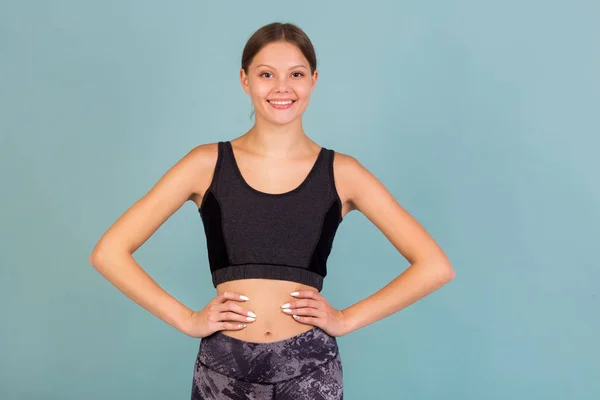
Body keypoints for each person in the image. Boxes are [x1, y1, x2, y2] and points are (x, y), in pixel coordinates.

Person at [89, 22, 455, 400]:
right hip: (223, 368)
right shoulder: (205, 164)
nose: (282, 87)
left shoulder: (343, 173)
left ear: (313, 80)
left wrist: (345, 319)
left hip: (309, 368)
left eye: (296, 74)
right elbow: (109, 252)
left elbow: (434, 266)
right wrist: (187, 319)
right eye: (266, 74)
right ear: (245, 80)